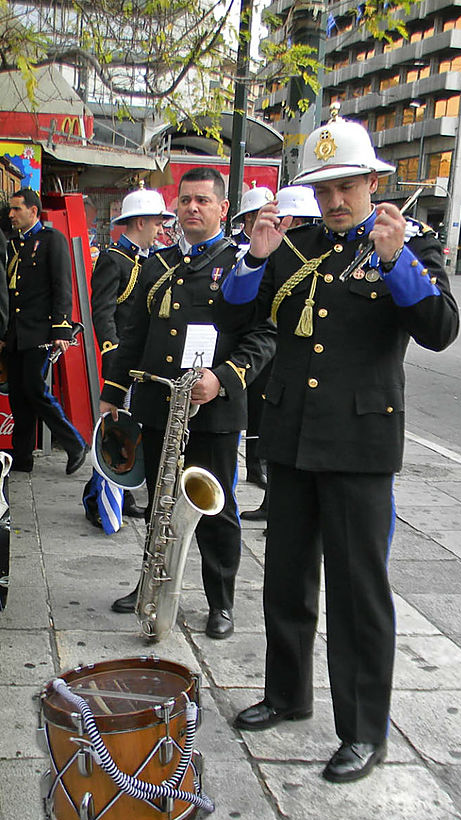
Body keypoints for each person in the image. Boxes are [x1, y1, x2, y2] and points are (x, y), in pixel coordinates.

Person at [221, 110, 460, 783]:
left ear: (373, 182)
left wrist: (396, 262)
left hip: (359, 445)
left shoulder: (405, 245)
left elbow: (441, 329)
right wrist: (254, 256)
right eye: (322, 190)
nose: (333, 201)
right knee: (285, 578)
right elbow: (236, 312)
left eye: (346, 187)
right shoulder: (296, 248)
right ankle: (287, 694)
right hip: (291, 437)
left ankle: (363, 731)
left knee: (358, 593)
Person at [99, 167, 276, 638]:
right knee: (159, 501)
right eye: (184, 201)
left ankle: (220, 602)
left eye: (202, 200)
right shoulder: (156, 264)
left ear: (223, 209)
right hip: (159, 405)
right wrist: (113, 393)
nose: (191, 208)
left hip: (213, 412)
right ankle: (149, 586)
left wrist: (222, 380)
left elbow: (262, 336)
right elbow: (133, 331)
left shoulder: (242, 263)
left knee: (216, 511)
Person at [82, 187, 175, 530]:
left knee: (130, 429)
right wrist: (112, 353)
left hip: (143, 362)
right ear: (139, 222)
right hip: (123, 359)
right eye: (155, 222)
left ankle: (120, 491)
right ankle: (100, 499)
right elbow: (103, 311)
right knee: (114, 430)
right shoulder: (114, 259)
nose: (160, 229)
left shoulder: (151, 261)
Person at [239, 184, 322, 525]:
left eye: (302, 222)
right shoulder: (266, 254)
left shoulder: (328, 256)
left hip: (302, 372)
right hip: (270, 359)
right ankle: (268, 492)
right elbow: (239, 313)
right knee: (264, 422)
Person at [2, 188, 88, 475]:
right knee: (18, 394)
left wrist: (61, 329)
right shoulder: (14, 244)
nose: (11, 215)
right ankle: (22, 456)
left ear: (33, 212)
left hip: (40, 332)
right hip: (15, 332)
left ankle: (74, 443)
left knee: (36, 389)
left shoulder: (52, 241)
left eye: (16, 209)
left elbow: (62, 286)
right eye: (10, 210)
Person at [230, 185, 275, 490]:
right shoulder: (233, 254)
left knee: (264, 411)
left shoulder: (283, 254)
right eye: (252, 219)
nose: (258, 223)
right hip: (239, 345)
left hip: (272, 345)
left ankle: (258, 468)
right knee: (238, 408)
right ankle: (245, 465)